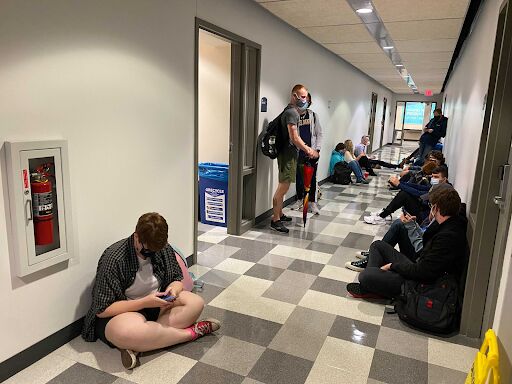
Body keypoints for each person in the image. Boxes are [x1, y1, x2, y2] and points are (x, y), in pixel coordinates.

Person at [81, 213, 220, 369]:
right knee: (126, 332)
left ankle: (141, 343)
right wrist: (144, 302)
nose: (151, 254)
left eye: (156, 250)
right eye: (147, 251)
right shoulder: (114, 258)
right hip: (124, 311)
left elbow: (176, 278)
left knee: (196, 303)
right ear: (136, 237)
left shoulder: (163, 248)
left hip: (157, 304)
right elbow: (102, 309)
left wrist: (173, 290)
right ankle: (191, 334)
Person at [347, 188, 467, 299]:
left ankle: (374, 284)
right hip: (418, 266)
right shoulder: (446, 224)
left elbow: (422, 272)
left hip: (418, 284)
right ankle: (375, 283)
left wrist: (392, 266)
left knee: (365, 276)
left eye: (431, 206)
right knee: (377, 245)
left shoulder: (447, 237)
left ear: (436, 208)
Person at [346, 181, 453, 272]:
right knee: (399, 223)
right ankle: (374, 255)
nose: (430, 207)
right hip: (420, 256)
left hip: (418, 264)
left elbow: (422, 250)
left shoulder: (445, 229)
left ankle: (373, 257)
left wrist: (411, 227)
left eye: (431, 205)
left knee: (399, 219)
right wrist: (414, 225)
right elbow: (426, 238)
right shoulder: (441, 220)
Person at [271, 84, 319, 234]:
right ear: (294, 96)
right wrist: (308, 149)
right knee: (282, 188)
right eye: (303, 97)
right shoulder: (292, 112)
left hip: (289, 153)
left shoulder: (289, 110)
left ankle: (280, 214)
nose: (305, 100)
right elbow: (294, 137)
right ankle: (275, 220)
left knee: (284, 187)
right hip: (287, 154)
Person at [364, 163, 446, 225]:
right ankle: (385, 213)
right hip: (422, 210)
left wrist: (399, 185)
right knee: (404, 192)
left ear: (444, 179)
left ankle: (383, 216)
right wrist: (400, 183)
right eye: (433, 177)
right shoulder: (437, 186)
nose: (433, 179)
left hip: (423, 218)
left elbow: (419, 193)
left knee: (404, 195)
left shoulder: (442, 189)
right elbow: (417, 187)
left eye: (436, 177)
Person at [293, 93, 323, 215]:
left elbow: (319, 133)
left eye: (307, 100)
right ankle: (300, 199)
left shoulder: (313, 116)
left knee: (312, 178)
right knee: (299, 177)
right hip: (298, 152)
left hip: (312, 152)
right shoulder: (293, 115)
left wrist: (317, 150)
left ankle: (312, 203)